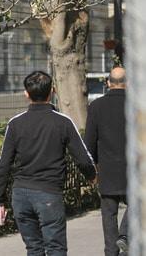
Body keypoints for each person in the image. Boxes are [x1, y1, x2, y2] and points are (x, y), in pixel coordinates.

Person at [0, 71, 97, 256]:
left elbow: (3, 164)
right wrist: (92, 177)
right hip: (49, 194)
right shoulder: (62, 122)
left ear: (26, 93)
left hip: (20, 195)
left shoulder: (15, 124)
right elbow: (82, 158)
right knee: (56, 248)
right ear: (52, 91)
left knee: (33, 249)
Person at [84, 67, 128, 255]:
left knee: (108, 214)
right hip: (134, 170)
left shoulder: (96, 107)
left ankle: (111, 250)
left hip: (107, 171)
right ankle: (125, 235)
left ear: (108, 83)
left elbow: (89, 142)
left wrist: (91, 170)